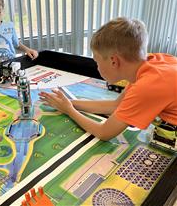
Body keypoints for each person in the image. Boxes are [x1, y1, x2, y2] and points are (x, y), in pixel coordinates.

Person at [39, 17, 177, 141]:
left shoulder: (148, 86)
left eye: (97, 62)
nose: (97, 67)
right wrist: (69, 103)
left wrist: (70, 111)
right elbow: (116, 106)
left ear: (113, 61)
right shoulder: (152, 63)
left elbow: (104, 132)